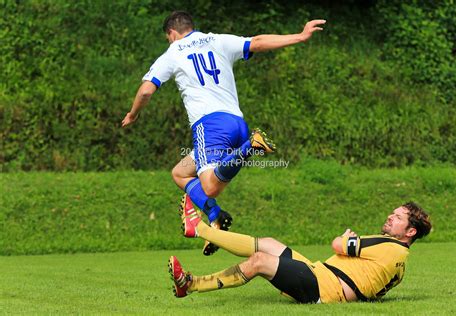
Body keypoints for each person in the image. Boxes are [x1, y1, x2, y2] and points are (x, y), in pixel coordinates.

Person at [122, 11, 326, 256]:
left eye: (168, 38)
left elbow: (145, 92)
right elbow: (258, 42)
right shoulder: (218, 40)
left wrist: (133, 115)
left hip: (209, 127)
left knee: (209, 187)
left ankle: (251, 145)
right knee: (180, 172)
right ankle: (216, 215)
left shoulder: (173, 53)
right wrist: (300, 36)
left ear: (172, 34)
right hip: (236, 123)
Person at [169, 195, 432, 303]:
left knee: (260, 260)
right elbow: (372, 290)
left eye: (398, 218)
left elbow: (337, 245)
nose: (390, 217)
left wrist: (344, 238)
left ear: (410, 232)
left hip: (323, 286)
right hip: (321, 276)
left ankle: (191, 279)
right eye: (393, 213)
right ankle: (207, 233)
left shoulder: (388, 245)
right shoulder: (401, 263)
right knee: (270, 243)